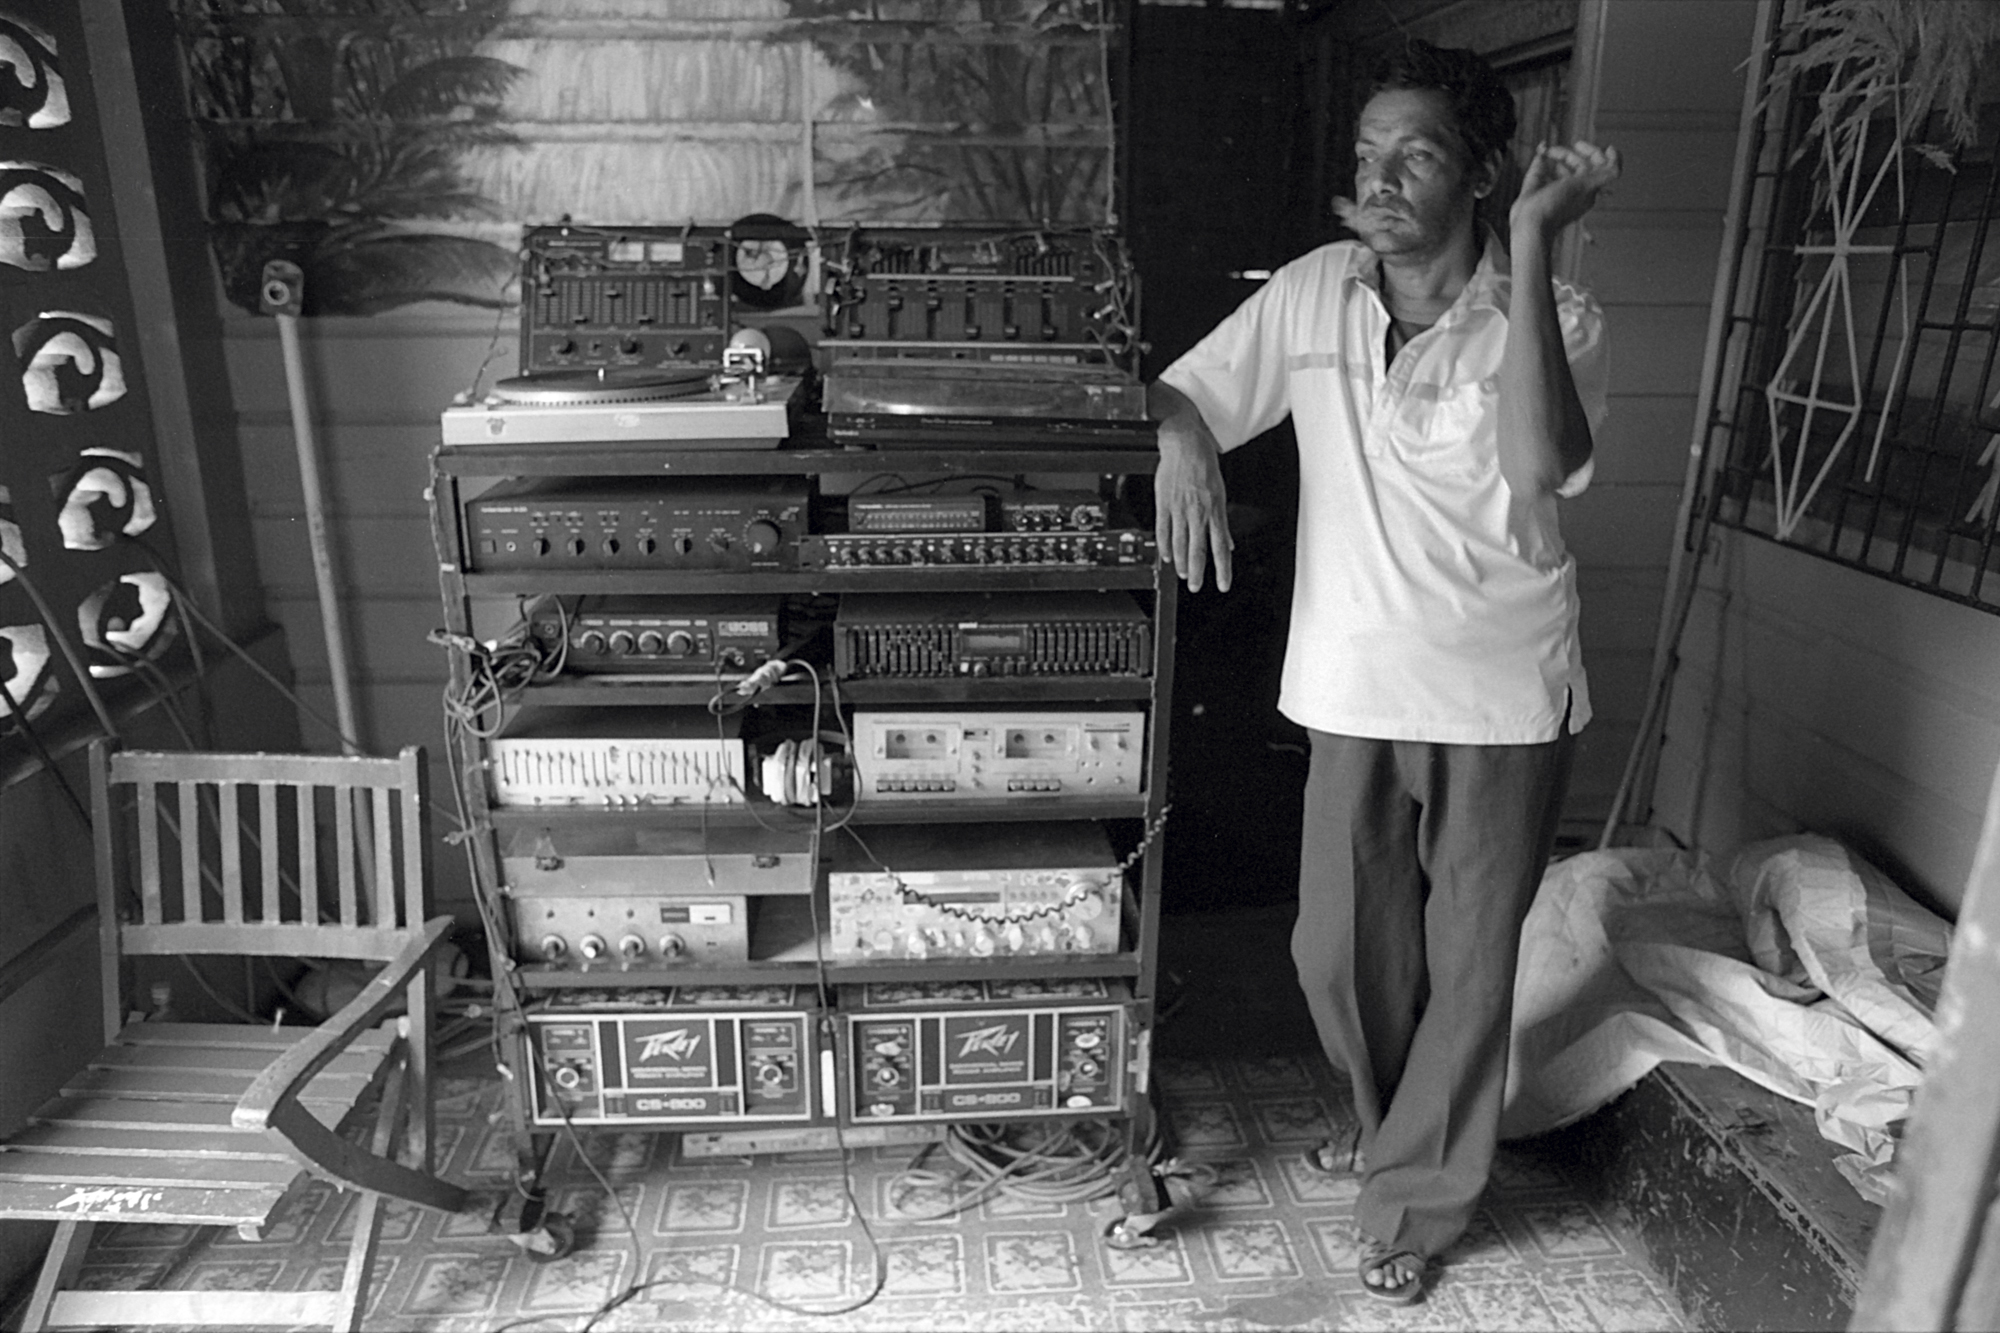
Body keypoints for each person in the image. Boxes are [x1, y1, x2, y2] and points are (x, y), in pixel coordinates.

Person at [1149, 39, 1619, 1305]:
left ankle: (1410, 1198)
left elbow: (1538, 467)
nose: (1381, 177)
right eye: (1368, 153)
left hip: (1500, 697)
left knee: (1467, 970)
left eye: (1416, 154)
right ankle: (1395, 1130)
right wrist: (1183, 435)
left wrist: (1528, 257)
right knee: (1336, 955)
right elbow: (1178, 388)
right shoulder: (1311, 292)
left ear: (1481, 176)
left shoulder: (1556, 314)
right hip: (1350, 688)